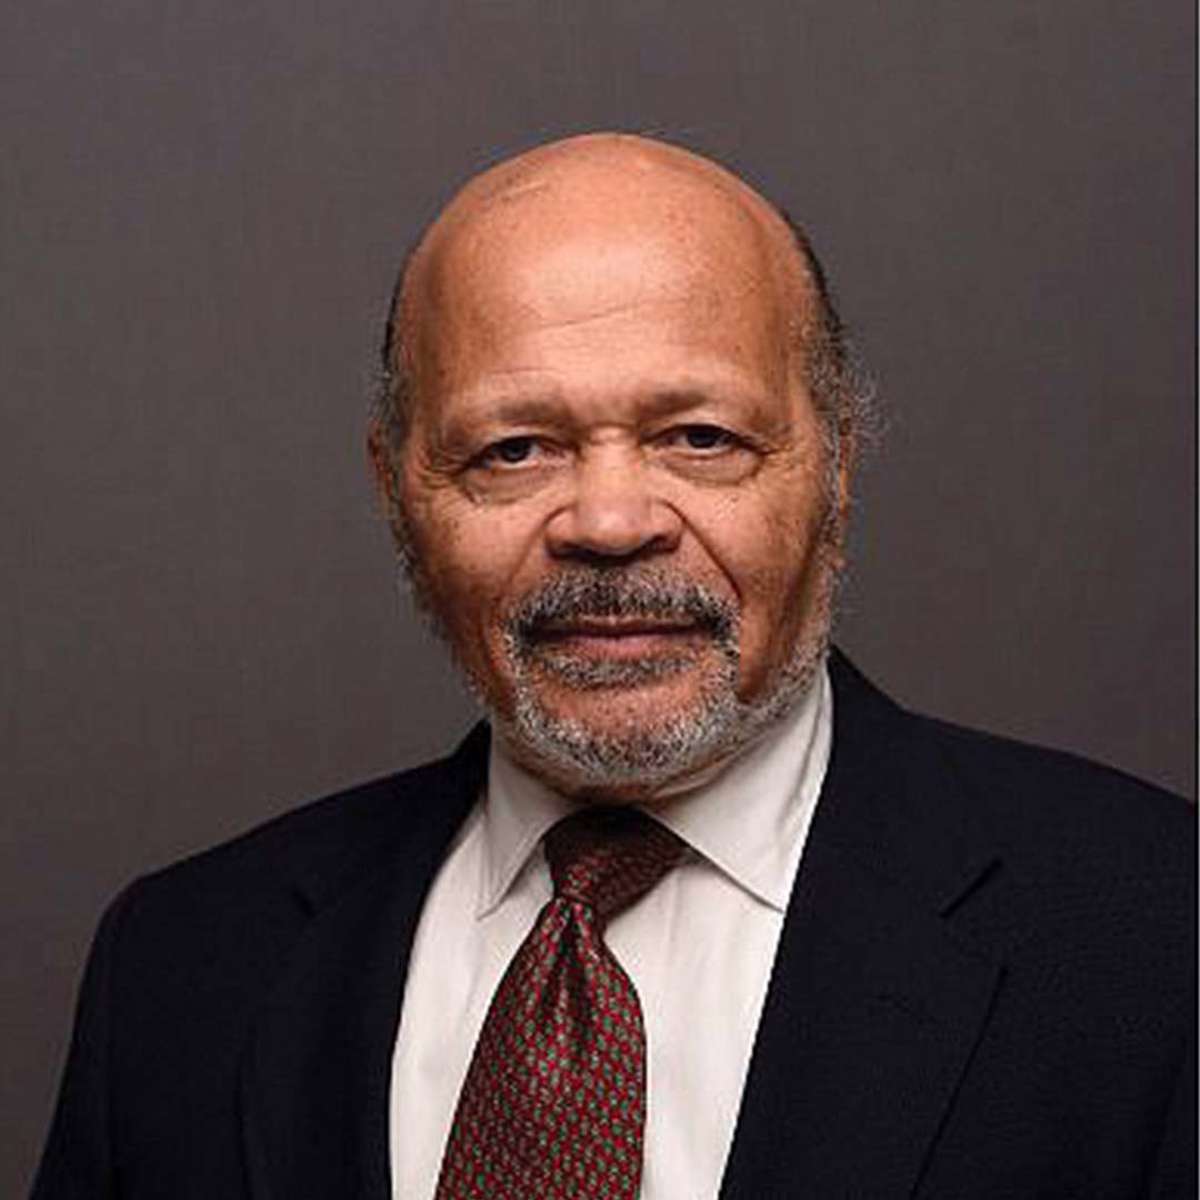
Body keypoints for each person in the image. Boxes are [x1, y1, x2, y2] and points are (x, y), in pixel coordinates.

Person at [33, 133, 1194, 1199]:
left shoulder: (1158, 936)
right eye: (514, 450)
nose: (609, 520)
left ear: (836, 466)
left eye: (700, 438)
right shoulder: (182, 968)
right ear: (398, 495)